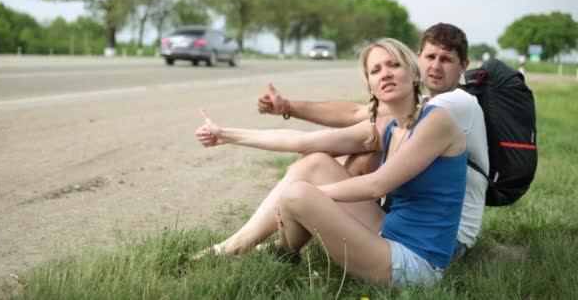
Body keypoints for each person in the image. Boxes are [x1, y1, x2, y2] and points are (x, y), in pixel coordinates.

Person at [195, 38, 467, 287]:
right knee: (313, 163)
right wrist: (227, 135)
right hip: (390, 231)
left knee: (298, 194)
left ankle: (277, 249)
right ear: (370, 86)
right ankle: (245, 247)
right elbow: (302, 142)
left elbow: (376, 185)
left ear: (414, 72)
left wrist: (311, 197)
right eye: (375, 70)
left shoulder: (437, 121)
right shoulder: (388, 126)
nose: (385, 73)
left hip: (414, 264)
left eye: (394, 65)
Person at [257, 23, 488, 258]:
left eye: (446, 59)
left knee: (343, 158)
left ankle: (290, 223)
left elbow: (358, 116)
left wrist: (311, 194)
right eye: (430, 56)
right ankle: (286, 230)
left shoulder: (453, 106)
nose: (436, 66)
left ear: (464, 66)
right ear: (419, 60)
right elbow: (357, 118)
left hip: (449, 238)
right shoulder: (418, 104)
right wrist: (285, 108)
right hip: (410, 225)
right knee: (332, 157)